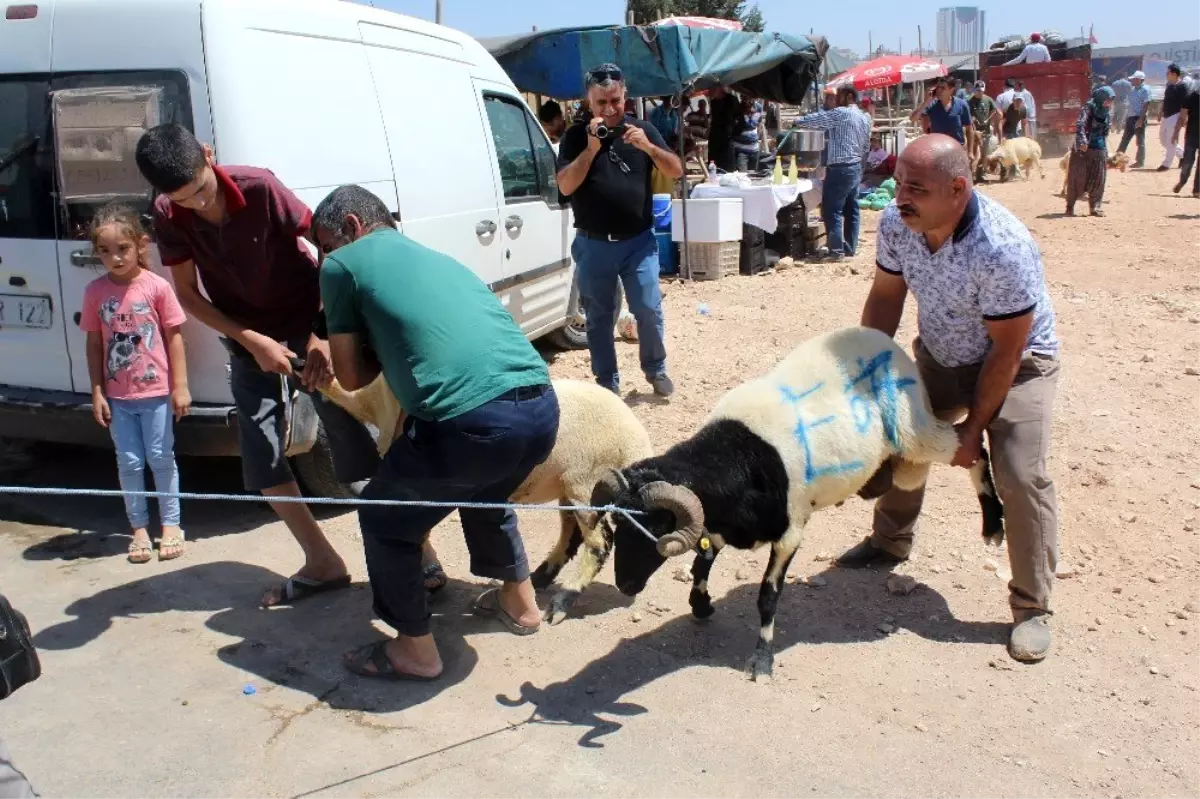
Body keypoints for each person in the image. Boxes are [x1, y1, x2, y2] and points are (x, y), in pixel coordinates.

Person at [311, 185, 560, 681]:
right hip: (540, 408)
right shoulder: (439, 259)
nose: (327, 256)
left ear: (354, 228)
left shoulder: (342, 266)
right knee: (485, 493)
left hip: (474, 424)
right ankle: (521, 603)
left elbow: (353, 376)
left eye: (327, 243)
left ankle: (414, 651)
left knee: (385, 517)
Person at [836, 134, 1061, 664]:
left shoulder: (1001, 247)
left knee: (1019, 473)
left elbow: (1006, 354)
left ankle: (1032, 607)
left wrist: (973, 430)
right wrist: (872, 372)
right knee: (901, 438)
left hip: (1020, 365)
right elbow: (887, 296)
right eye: (898, 184)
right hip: (941, 354)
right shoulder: (898, 224)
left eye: (916, 188)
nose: (900, 197)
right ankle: (891, 541)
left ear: (958, 188)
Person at [134, 124, 379, 607]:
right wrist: (252, 341)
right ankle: (322, 561)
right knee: (263, 458)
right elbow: (186, 294)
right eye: (184, 200)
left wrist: (321, 335)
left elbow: (331, 251)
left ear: (209, 155)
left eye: (201, 190)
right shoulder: (168, 212)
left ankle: (418, 556)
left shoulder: (260, 186)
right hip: (246, 337)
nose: (198, 206)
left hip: (308, 320)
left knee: (353, 441)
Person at [555, 64, 681, 397]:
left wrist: (649, 148)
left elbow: (676, 169)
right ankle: (606, 384)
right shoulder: (574, 136)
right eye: (601, 103)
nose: (610, 109)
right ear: (589, 101)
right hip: (594, 245)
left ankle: (656, 370)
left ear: (625, 95)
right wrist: (591, 150)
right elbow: (565, 186)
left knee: (648, 309)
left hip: (638, 244)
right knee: (599, 317)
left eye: (615, 100)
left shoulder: (642, 130)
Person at [81, 203, 190, 564]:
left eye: (122, 249)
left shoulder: (157, 287)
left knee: (161, 458)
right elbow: (95, 343)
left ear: (141, 245)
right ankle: (139, 528)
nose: (114, 257)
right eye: (105, 251)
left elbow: (174, 337)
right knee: (128, 462)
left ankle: (171, 525)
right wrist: (97, 391)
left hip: (157, 393)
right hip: (118, 397)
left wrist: (181, 387)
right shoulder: (96, 291)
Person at [793, 86, 871, 262]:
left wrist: (799, 121)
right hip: (855, 166)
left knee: (831, 210)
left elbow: (821, 118)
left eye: (840, 97)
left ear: (849, 96)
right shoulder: (865, 117)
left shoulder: (841, 113)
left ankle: (836, 251)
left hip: (840, 168)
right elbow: (866, 146)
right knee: (852, 209)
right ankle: (849, 248)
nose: (836, 101)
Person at [1067, 87, 1115, 217]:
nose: (1109, 103)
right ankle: (1070, 207)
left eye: (1110, 100)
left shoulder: (1106, 112)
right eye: (1107, 100)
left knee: (1099, 179)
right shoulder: (1088, 107)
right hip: (1083, 149)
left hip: (1098, 148)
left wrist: (1105, 151)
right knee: (1077, 178)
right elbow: (1080, 124)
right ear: (1100, 98)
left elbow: (1105, 132)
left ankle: (1095, 207)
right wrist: (1082, 141)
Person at [912, 77, 973, 147]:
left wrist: (970, 152)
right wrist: (926, 101)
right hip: (937, 148)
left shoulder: (961, 104)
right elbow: (913, 118)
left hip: (957, 148)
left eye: (943, 88)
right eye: (938, 87)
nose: (939, 90)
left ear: (951, 90)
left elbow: (969, 129)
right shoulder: (932, 105)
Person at [1116, 71, 1151, 168]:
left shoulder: (1145, 89)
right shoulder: (1133, 89)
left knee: (1140, 141)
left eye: (1134, 79)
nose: (1132, 80)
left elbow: (1146, 105)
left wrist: (1141, 119)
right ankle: (1117, 160)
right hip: (1130, 117)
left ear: (1139, 79)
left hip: (1138, 117)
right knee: (1125, 139)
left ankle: (1140, 162)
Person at [1172, 82, 1200, 198]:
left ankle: (1197, 190)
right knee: (1188, 162)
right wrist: (1176, 132)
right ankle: (1183, 181)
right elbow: (1182, 117)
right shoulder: (1190, 98)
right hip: (1191, 135)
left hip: (1192, 135)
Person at [1157, 64, 1187, 171]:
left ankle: (1166, 164)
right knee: (1163, 139)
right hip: (1166, 115)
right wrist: (1160, 111)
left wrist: (1183, 119)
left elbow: (1185, 104)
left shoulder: (1182, 86)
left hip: (1175, 115)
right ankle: (1183, 155)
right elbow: (1165, 100)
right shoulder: (1169, 85)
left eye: (1168, 73)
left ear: (1174, 74)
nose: (1166, 75)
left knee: (1171, 141)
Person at [967, 80, 1001, 175]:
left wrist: (990, 119)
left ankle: (980, 173)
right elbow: (966, 114)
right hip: (974, 133)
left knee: (984, 153)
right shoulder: (970, 101)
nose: (979, 92)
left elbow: (994, 110)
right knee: (975, 154)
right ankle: (974, 173)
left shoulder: (988, 99)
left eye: (981, 91)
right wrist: (972, 120)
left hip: (986, 132)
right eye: (977, 91)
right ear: (974, 90)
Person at [707, 85, 741, 173]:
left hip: (727, 139)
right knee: (714, 166)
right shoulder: (714, 102)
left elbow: (739, 119)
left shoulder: (731, 100)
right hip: (715, 138)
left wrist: (733, 134)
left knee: (728, 167)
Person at [733, 97, 764, 172]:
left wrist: (757, 136)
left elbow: (759, 123)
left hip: (754, 150)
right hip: (741, 150)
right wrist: (745, 113)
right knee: (742, 176)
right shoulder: (738, 108)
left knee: (752, 175)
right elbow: (738, 126)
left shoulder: (759, 107)